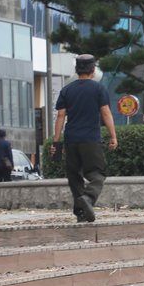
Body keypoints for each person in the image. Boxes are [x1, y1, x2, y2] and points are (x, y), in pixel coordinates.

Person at [51, 54, 118, 223]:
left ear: (77, 70)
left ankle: (81, 213)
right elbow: (105, 112)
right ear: (93, 70)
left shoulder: (67, 90)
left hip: (71, 139)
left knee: (74, 176)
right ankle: (88, 198)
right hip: (90, 139)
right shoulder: (98, 89)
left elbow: (60, 116)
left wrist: (56, 141)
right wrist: (113, 136)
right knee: (99, 173)